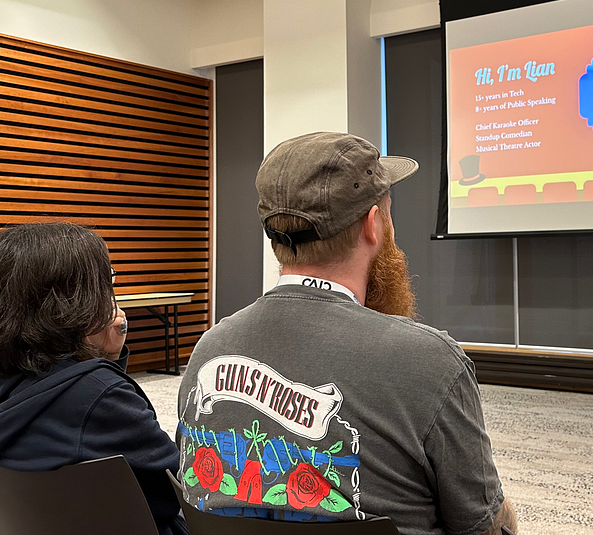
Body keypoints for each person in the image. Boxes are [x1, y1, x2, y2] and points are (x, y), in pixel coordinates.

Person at [176, 132, 517, 535]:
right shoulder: (432, 363)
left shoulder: (208, 351)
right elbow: (486, 528)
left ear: (275, 237)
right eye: (388, 213)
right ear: (374, 225)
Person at [0, 222, 188, 535]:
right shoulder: (100, 397)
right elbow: (173, 493)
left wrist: (102, 360)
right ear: (73, 300)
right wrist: (103, 365)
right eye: (106, 280)